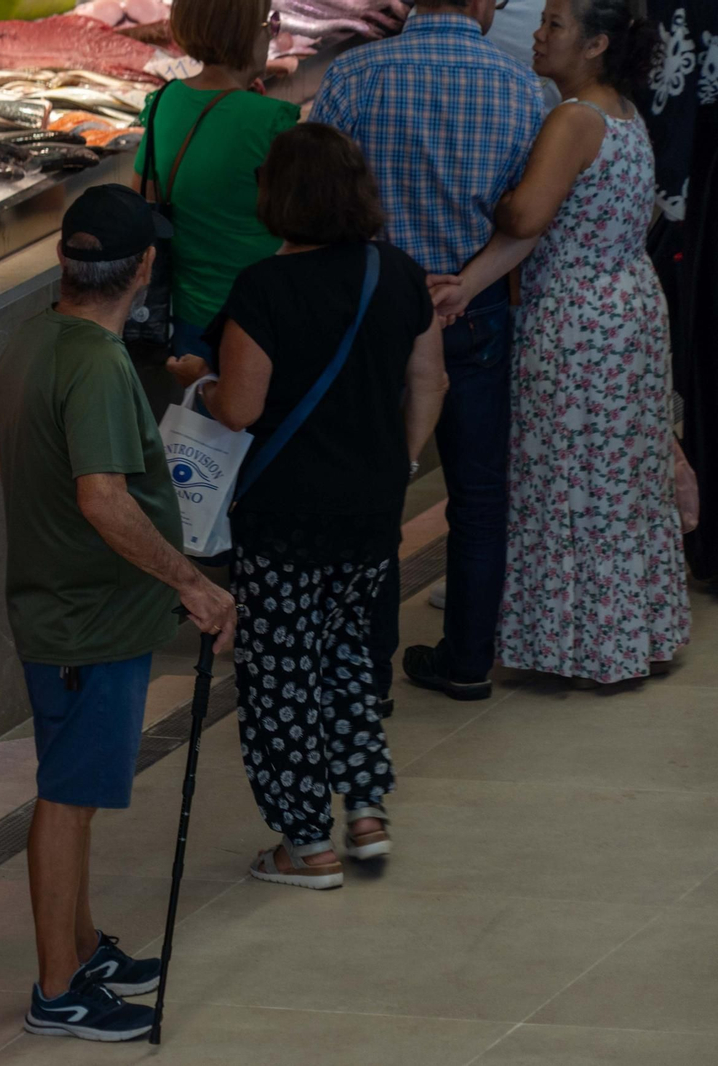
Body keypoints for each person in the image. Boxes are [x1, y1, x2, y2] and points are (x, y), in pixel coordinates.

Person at [0, 184, 238, 1042]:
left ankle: (83, 943)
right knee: (67, 797)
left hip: (66, 607)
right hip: (86, 622)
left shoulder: (33, 339)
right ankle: (58, 989)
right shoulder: (97, 365)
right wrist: (192, 583)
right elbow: (102, 499)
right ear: (143, 268)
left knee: (80, 793)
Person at [174, 126, 446, 887]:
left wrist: (198, 378)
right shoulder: (397, 273)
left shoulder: (263, 288)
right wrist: (405, 460)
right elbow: (431, 382)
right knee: (350, 658)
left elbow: (240, 408)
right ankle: (364, 806)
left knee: (281, 674)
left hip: (284, 517)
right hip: (370, 511)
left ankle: (306, 843)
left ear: (278, 196)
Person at [429, 0, 690, 683]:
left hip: (579, 320)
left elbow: (526, 215)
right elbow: (536, 234)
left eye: (554, 26)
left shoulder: (573, 118)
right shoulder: (621, 115)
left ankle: (585, 645)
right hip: (625, 306)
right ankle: (629, 635)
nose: (538, 37)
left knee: (568, 473)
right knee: (616, 476)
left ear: (597, 43)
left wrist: (489, 188)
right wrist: (468, 283)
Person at [311, 0, 547, 705]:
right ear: (479, 4)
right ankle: (469, 661)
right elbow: (529, 215)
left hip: (373, 313)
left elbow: (317, 199)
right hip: (472, 310)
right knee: (478, 495)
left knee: (374, 492)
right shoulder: (521, 87)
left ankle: (368, 674)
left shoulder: (354, 76)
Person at [130, 0, 298, 364]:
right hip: (262, 318)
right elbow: (309, 224)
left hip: (188, 316)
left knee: (204, 417)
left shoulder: (164, 102)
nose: (272, 32)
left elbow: (141, 198)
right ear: (248, 33)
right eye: (269, 22)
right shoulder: (272, 121)